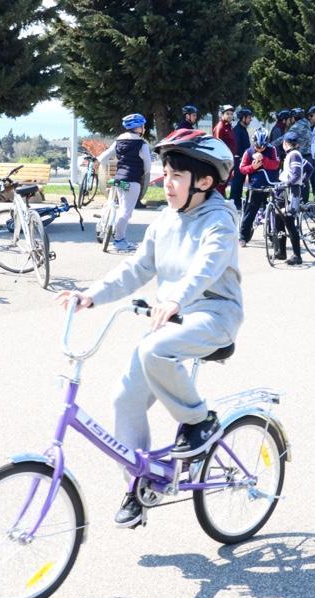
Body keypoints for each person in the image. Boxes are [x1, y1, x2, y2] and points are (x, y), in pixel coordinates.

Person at [54, 129, 241, 528]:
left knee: (153, 350)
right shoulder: (165, 220)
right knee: (124, 398)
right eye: (165, 172)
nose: (165, 182)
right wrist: (92, 294)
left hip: (213, 314)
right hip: (172, 317)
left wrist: (176, 299)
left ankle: (198, 421)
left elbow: (205, 267)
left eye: (176, 176)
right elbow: (137, 268)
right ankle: (140, 484)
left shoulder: (221, 221)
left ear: (204, 182)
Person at [96, 113, 152, 252]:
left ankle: (106, 226)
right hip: (132, 181)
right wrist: (142, 174)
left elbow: (103, 158)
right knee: (125, 212)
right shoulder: (141, 144)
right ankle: (119, 240)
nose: (144, 128)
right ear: (138, 128)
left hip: (118, 180)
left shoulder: (118, 141)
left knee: (120, 209)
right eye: (142, 126)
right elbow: (148, 166)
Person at [238, 128, 280, 247]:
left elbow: (276, 164)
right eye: (257, 147)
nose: (260, 149)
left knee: (273, 212)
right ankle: (243, 236)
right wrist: (252, 167)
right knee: (250, 212)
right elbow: (242, 168)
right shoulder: (248, 152)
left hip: (270, 184)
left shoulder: (272, 150)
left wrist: (264, 159)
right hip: (255, 186)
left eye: (263, 147)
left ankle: (273, 236)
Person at [273, 132, 306, 265]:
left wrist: (290, 182)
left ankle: (297, 255)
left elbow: (296, 173)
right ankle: (281, 251)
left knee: (289, 221)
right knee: (278, 217)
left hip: (291, 191)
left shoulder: (294, 155)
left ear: (285, 143)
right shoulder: (294, 155)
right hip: (285, 190)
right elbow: (308, 168)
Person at [286, 108, 313, 201]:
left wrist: (271, 144)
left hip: (299, 156)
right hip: (309, 155)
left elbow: (285, 138)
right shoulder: (308, 123)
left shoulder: (297, 126)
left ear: (294, 117)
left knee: (297, 179)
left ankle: (299, 202)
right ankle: (305, 202)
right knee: (305, 181)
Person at [230, 107, 253, 209]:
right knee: (237, 182)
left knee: (240, 182)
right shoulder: (237, 130)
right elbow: (236, 147)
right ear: (243, 118)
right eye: (248, 117)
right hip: (238, 160)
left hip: (243, 160)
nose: (250, 120)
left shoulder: (243, 129)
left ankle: (238, 202)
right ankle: (234, 203)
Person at [212, 105, 236, 195]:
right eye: (227, 114)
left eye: (231, 114)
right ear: (222, 115)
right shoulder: (220, 127)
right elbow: (218, 145)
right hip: (222, 161)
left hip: (229, 159)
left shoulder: (228, 126)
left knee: (224, 184)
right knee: (220, 184)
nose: (230, 116)